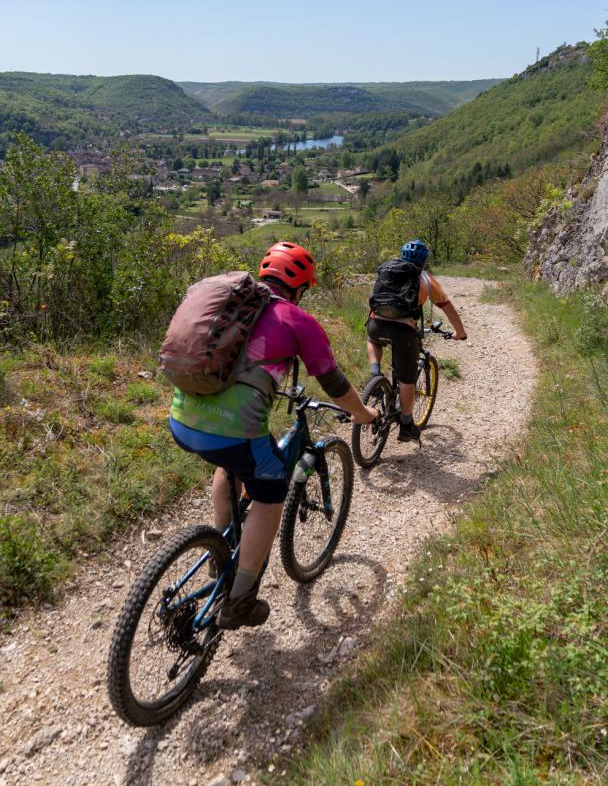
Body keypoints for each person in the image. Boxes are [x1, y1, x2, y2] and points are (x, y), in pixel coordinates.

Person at [168, 242, 377, 631]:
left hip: (181, 420)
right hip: (232, 435)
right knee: (270, 490)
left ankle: (223, 546)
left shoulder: (233, 308)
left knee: (230, 464)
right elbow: (333, 383)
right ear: (301, 287)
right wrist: (361, 413)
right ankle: (241, 602)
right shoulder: (297, 320)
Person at [366, 239, 467, 444]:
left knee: (373, 340)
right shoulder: (425, 279)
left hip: (376, 324)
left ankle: (375, 374)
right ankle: (406, 424)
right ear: (424, 260)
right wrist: (460, 332)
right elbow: (447, 307)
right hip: (404, 331)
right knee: (407, 379)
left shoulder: (388, 270)